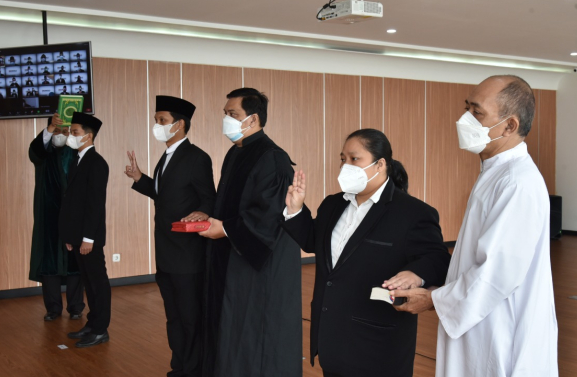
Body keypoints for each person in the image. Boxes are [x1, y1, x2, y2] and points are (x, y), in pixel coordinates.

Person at [391, 75, 558, 376]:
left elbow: (496, 272)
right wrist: (435, 288)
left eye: (477, 112)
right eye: (466, 107)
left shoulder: (516, 183)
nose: (465, 119)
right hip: (480, 322)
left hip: (500, 330)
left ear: (509, 126)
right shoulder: (496, 171)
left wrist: (434, 299)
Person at [282, 129, 450, 377]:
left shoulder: (413, 213)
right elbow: (313, 242)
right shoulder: (333, 204)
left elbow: (438, 259)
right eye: (343, 159)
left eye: (354, 159)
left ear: (380, 164)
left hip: (377, 346)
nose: (345, 166)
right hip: (332, 338)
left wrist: (415, 274)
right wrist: (295, 210)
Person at [200, 88, 302, 377]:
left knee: (256, 328)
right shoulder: (236, 152)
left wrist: (225, 228)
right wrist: (209, 217)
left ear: (253, 119)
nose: (226, 119)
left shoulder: (273, 158)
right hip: (233, 252)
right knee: (231, 324)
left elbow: (268, 214)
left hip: (260, 261)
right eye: (225, 114)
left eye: (233, 114)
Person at [125, 95, 216, 377]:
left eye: (162, 120)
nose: (157, 125)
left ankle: (194, 369)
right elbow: (164, 195)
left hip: (188, 255)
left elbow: (210, 197)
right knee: (173, 317)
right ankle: (179, 367)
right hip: (166, 252)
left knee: (190, 318)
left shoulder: (197, 157)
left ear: (179, 124)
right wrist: (140, 178)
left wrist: (203, 211)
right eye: (156, 120)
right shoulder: (166, 157)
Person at [59, 112, 111, 348]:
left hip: (90, 237)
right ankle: (92, 324)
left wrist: (88, 238)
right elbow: (73, 202)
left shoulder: (97, 163)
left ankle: (101, 330)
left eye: (75, 132)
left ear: (88, 136)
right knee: (88, 283)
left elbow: (94, 205)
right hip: (78, 236)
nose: (71, 136)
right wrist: (71, 236)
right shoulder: (78, 159)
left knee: (98, 283)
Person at [29, 114, 85, 322]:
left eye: (66, 131)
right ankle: (53, 309)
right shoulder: (44, 153)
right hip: (48, 217)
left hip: (74, 216)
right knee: (49, 263)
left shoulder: (77, 153)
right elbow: (34, 151)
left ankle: (76, 307)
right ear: (51, 132)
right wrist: (52, 127)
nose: (62, 134)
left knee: (75, 263)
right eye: (58, 130)